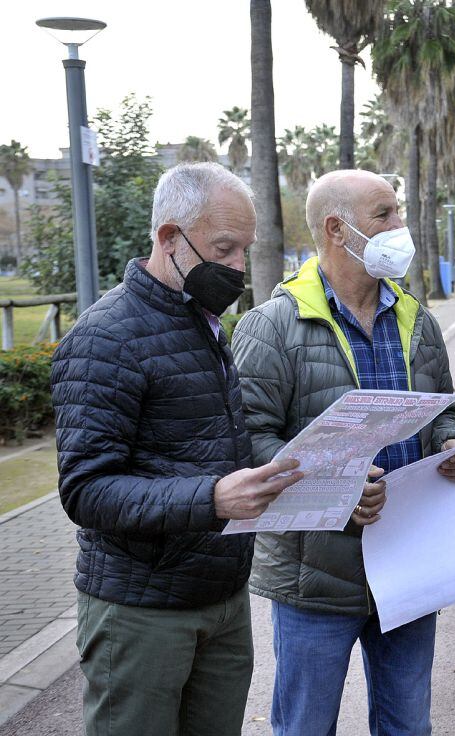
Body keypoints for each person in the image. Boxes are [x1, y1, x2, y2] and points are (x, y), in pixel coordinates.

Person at [50, 162, 304, 736]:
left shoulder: (204, 324)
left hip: (222, 598)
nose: (239, 266)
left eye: (245, 249)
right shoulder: (104, 337)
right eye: (224, 248)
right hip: (141, 611)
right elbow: (87, 490)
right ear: (169, 238)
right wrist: (212, 499)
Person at [232, 169, 455, 736]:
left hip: (412, 561)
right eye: (385, 215)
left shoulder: (415, 319)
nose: (401, 226)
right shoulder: (271, 326)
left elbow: (439, 407)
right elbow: (249, 439)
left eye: (399, 213)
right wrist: (337, 486)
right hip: (314, 574)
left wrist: (450, 441)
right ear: (337, 230)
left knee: (407, 725)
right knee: (305, 726)